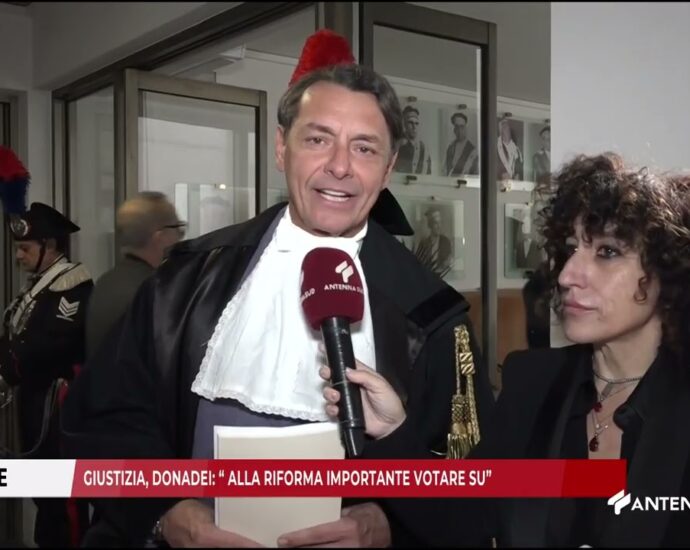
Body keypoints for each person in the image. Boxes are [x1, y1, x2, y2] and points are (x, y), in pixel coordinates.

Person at [61, 30, 493, 548]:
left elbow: (472, 496)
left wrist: (386, 525)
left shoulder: (434, 317)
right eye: (318, 139)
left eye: (364, 147)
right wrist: (166, 513)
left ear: (388, 169)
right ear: (281, 148)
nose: (340, 166)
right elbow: (105, 420)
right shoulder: (186, 281)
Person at [321, 153, 690, 547]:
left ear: (668, 270)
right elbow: (463, 520)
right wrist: (394, 432)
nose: (568, 275)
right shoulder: (535, 384)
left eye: (607, 252)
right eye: (570, 250)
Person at [0, 189, 93, 546]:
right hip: (35, 398)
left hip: (56, 402)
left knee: (61, 497)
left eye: (25, 248)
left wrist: (8, 369)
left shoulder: (71, 286)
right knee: (43, 492)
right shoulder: (41, 288)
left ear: (49, 245)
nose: (18, 255)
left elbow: (44, 347)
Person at [85, 191, 185, 359]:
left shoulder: (106, 281)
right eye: (178, 229)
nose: (180, 237)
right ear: (160, 237)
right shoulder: (155, 293)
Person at [414, 207, 453, 277]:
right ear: (430, 225)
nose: (439, 226)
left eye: (440, 222)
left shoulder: (446, 242)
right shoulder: (423, 243)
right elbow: (419, 264)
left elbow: (448, 263)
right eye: (436, 223)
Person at [394, 105, 432, 174]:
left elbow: (428, 173)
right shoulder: (397, 145)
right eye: (410, 123)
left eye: (416, 123)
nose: (414, 127)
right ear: (404, 124)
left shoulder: (423, 148)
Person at [444, 112, 478, 176]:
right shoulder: (450, 147)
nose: (459, 130)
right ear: (454, 129)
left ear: (466, 128)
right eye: (457, 127)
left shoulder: (472, 150)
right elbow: (445, 170)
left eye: (462, 127)